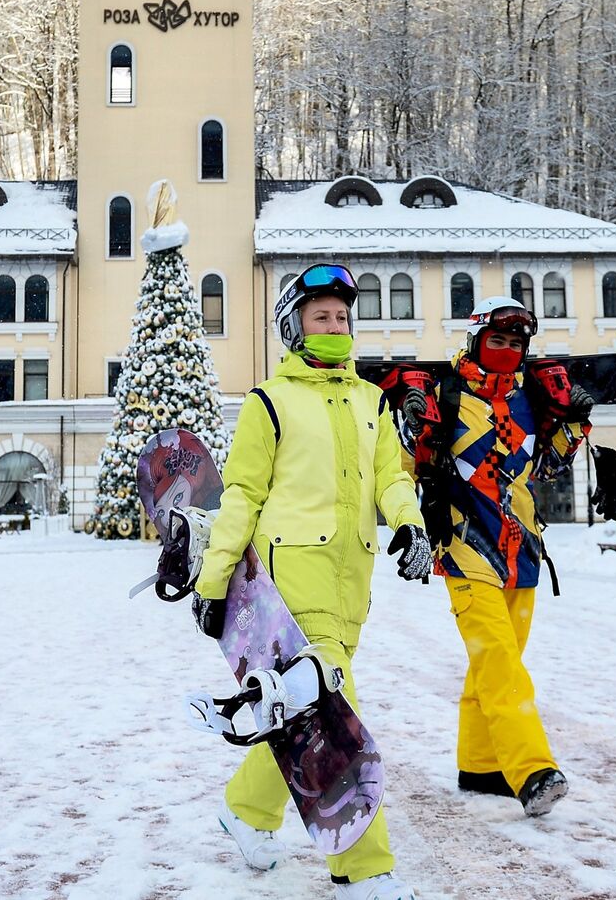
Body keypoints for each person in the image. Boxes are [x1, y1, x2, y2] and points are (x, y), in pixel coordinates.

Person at [192, 264, 429, 900]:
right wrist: (214, 582)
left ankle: (246, 811)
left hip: (352, 581)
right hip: (292, 581)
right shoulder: (269, 402)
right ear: (293, 326)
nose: (336, 327)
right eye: (321, 316)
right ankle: (364, 870)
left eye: (343, 317)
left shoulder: (371, 400)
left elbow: (390, 479)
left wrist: (409, 524)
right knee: (332, 716)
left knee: (298, 711)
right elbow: (241, 495)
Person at [382, 296, 616, 819]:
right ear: (475, 340)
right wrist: (407, 513)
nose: (507, 350)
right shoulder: (441, 394)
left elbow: (543, 467)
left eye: (517, 344)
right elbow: (407, 464)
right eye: (498, 340)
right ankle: (531, 768)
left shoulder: (530, 399)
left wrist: (575, 423)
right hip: (463, 545)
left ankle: (480, 765)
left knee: (497, 662)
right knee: (497, 660)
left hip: (522, 548)